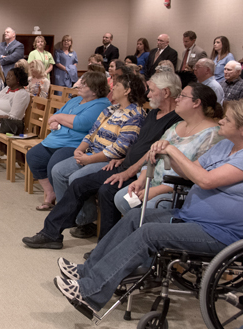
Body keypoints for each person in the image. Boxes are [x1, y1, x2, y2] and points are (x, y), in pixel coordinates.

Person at [53, 100, 243, 317]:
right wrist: (167, 154)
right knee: (135, 217)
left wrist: (173, 149)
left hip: (221, 233)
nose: (221, 120)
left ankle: (91, 291)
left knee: (149, 233)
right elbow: (187, 173)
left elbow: (206, 181)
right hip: (190, 217)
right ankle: (87, 271)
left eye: (227, 119)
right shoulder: (225, 145)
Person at [22, 71, 182, 248]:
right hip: (123, 164)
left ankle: (103, 247)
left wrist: (128, 166)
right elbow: (135, 145)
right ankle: (51, 233)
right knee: (77, 183)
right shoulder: (153, 114)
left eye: (152, 90)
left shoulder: (170, 120)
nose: (148, 94)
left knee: (104, 190)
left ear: (166, 92)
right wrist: (121, 159)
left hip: (139, 171)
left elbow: (151, 151)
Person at [47, 73, 148, 237]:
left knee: (75, 178)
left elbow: (120, 148)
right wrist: (79, 149)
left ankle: (86, 221)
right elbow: (92, 133)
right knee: (58, 171)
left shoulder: (135, 115)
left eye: (117, 85)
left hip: (107, 159)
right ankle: (74, 216)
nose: (113, 87)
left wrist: (89, 159)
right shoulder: (111, 109)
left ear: (127, 90)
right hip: (91, 152)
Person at [114, 83, 223, 215]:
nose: (177, 99)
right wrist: (142, 180)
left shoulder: (213, 135)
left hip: (178, 190)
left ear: (196, 102)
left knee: (148, 208)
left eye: (182, 96)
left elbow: (197, 176)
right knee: (121, 199)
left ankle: (143, 232)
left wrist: (158, 190)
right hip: (152, 182)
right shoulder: (176, 126)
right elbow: (153, 155)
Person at [27, 72, 111, 210]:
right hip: (56, 139)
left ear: (95, 90)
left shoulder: (100, 104)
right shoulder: (75, 100)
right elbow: (55, 115)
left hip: (75, 144)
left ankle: (64, 206)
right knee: (34, 156)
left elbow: (81, 123)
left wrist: (59, 119)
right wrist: (58, 119)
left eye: (84, 85)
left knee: (54, 164)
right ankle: (51, 192)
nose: (79, 85)